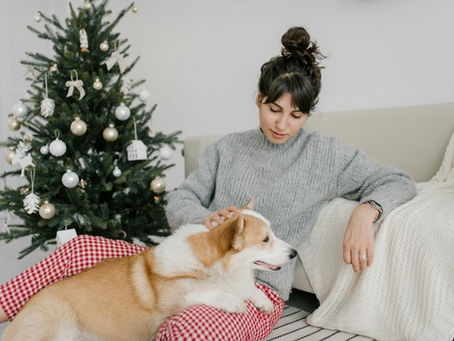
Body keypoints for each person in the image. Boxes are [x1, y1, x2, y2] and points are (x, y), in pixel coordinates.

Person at [0, 26, 416, 340]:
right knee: (80, 247)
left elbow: (397, 179)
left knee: (188, 329)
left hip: (255, 289)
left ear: (308, 114)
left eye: (296, 115)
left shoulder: (326, 155)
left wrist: (367, 210)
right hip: (187, 270)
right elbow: (182, 199)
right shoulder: (226, 149)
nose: (283, 124)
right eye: (274, 109)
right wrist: (207, 217)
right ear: (259, 99)